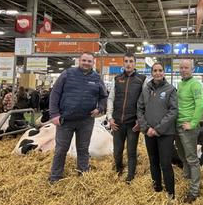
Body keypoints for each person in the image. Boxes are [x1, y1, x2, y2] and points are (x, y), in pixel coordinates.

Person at [48, 52, 108, 183]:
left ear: (93, 63)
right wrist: (54, 114)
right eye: (84, 60)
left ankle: (83, 174)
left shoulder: (97, 78)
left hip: (86, 121)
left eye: (89, 61)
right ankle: (55, 177)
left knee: (83, 149)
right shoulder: (67, 74)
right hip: (66, 120)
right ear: (79, 61)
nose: (86, 63)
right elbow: (55, 93)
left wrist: (100, 108)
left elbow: (103, 96)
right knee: (61, 149)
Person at [137, 62, 178, 202]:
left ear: (164, 72)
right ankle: (157, 189)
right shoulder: (146, 89)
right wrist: (146, 128)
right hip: (149, 133)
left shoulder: (170, 89)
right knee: (153, 161)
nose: (158, 73)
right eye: (155, 70)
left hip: (165, 133)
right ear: (151, 72)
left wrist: (158, 129)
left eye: (160, 70)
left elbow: (173, 111)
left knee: (165, 163)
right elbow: (139, 109)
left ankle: (170, 193)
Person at [107, 52, 147, 183]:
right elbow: (111, 99)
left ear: (135, 63)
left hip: (132, 124)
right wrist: (110, 118)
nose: (128, 64)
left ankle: (130, 175)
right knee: (117, 152)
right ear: (123, 63)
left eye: (131, 61)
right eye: (126, 61)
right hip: (117, 122)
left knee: (131, 151)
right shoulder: (117, 79)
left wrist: (141, 121)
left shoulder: (142, 79)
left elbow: (146, 101)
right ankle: (118, 169)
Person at [176, 59, 203, 203]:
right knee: (182, 156)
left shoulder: (195, 84)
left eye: (186, 68)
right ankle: (187, 178)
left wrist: (193, 123)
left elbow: (201, 105)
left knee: (192, 159)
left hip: (188, 127)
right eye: (181, 67)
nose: (183, 70)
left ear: (192, 69)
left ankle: (194, 190)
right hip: (178, 126)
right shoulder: (180, 84)